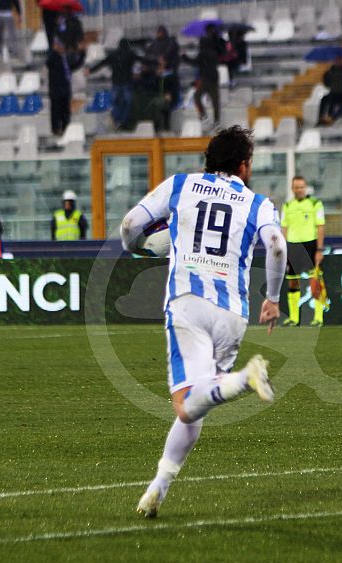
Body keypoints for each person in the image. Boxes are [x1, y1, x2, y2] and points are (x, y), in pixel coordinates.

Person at [119, 125, 287, 518]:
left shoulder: (181, 184)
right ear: (243, 166)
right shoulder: (258, 203)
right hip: (232, 312)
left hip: (188, 303)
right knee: (198, 402)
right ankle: (157, 489)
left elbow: (129, 226)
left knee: (185, 404)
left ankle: (244, 380)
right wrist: (274, 298)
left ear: (209, 160)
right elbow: (277, 246)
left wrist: (138, 250)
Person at [280, 176, 325, 327]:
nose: (299, 190)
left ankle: (318, 318)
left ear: (305, 188)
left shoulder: (315, 203)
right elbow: (284, 227)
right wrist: (284, 247)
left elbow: (320, 226)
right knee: (293, 282)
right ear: (292, 189)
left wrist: (319, 249)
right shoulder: (287, 205)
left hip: (311, 245)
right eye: (296, 187)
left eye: (301, 187)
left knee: (315, 281)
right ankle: (294, 318)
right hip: (293, 246)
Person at [88, 38, 142, 130]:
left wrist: (91, 70)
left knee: (116, 103)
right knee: (127, 103)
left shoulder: (114, 55)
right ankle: (124, 122)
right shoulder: (130, 54)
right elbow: (142, 60)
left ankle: (116, 121)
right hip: (127, 83)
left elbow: (102, 63)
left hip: (116, 82)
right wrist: (156, 63)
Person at [182, 23, 226, 128]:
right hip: (214, 78)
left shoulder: (204, 52)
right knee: (215, 101)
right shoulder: (216, 48)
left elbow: (195, 62)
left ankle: (204, 115)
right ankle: (216, 122)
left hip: (206, 78)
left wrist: (184, 58)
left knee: (197, 96)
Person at [46, 37, 73, 136]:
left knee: (65, 111)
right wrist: (54, 50)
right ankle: (56, 129)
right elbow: (49, 61)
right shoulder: (53, 58)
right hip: (56, 90)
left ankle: (66, 128)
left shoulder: (65, 58)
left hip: (65, 89)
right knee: (56, 111)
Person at [317, 53, 342, 125]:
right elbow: (327, 83)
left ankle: (330, 117)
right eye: (336, 60)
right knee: (324, 99)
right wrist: (326, 75)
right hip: (334, 91)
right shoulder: (330, 70)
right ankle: (321, 117)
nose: (337, 61)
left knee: (332, 99)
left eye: (339, 59)